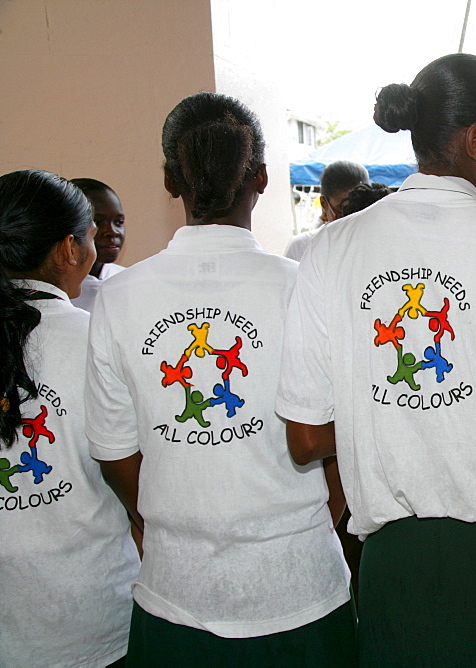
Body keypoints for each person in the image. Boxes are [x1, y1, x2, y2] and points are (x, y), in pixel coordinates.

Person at [275, 53, 476, 666]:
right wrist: (474, 426)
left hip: (397, 576)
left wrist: (404, 427)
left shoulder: (330, 251)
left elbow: (304, 436)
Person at [84, 92, 356, 666]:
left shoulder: (119, 296)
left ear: (168, 180)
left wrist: (170, 519)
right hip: (301, 592)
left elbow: (115, 455)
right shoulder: (303, 286)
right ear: (260, 178)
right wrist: (307, 526)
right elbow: (338, 439)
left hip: (176, 596)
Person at [0, 169, 140, 667]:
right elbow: (135, 476)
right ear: (68, 250)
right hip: (91, 620)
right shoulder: (93, 338)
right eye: (89, 234)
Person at [284, 160, 370, 261]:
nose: (350, 218)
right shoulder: (301, 247)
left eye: (359, 209)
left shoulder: (378, 242)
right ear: (324, 204)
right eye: (342, 211)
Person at [69, 177, 127, 312]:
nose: (112, 232)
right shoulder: (58, 287)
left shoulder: (129, 281)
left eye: (118, 222)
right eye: (98, 222)